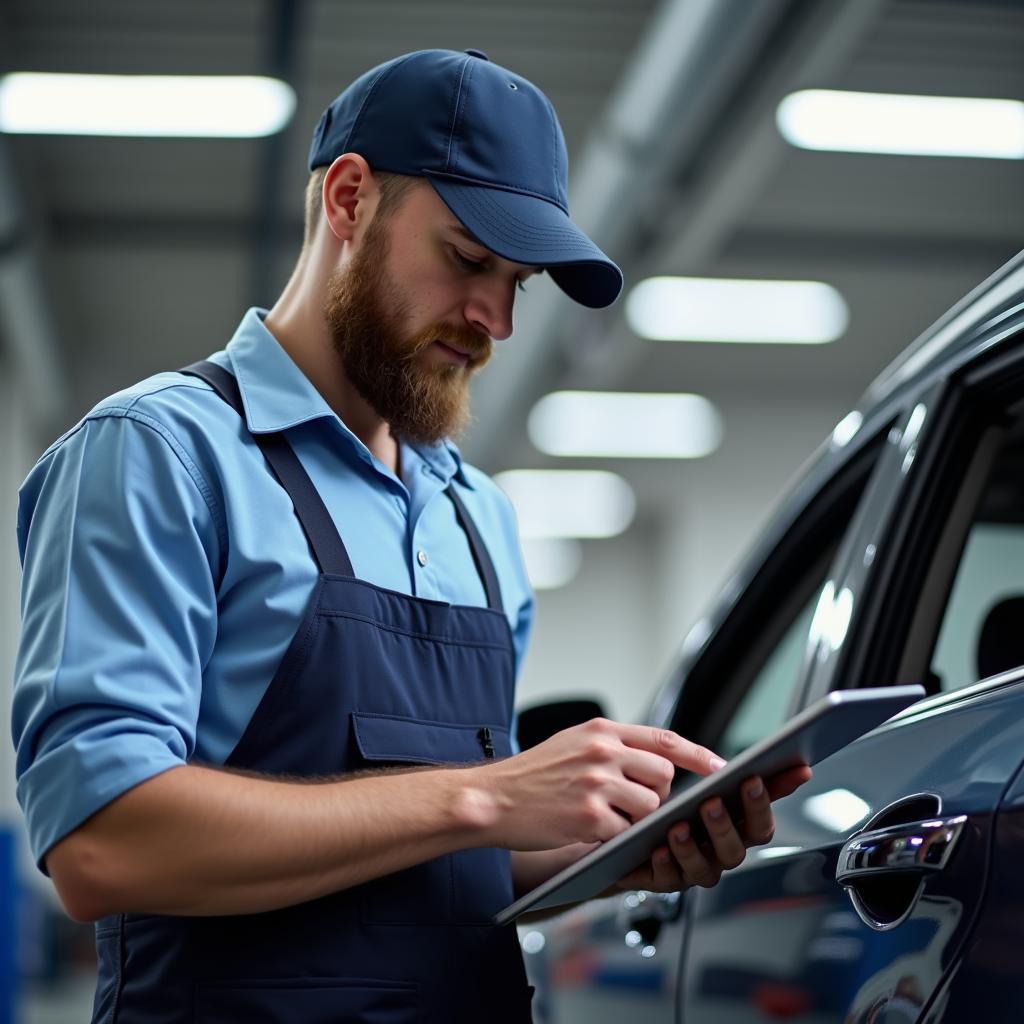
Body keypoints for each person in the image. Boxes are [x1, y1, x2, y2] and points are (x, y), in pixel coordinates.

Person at [12, 49, 810, 1022]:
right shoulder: (159, 455)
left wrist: (616, 853)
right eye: (471, 261)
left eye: (521, 283)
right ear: (348, 199)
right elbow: (101, 844)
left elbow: (452, 870)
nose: (496, 321)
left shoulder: (479, 515)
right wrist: (481, 794)